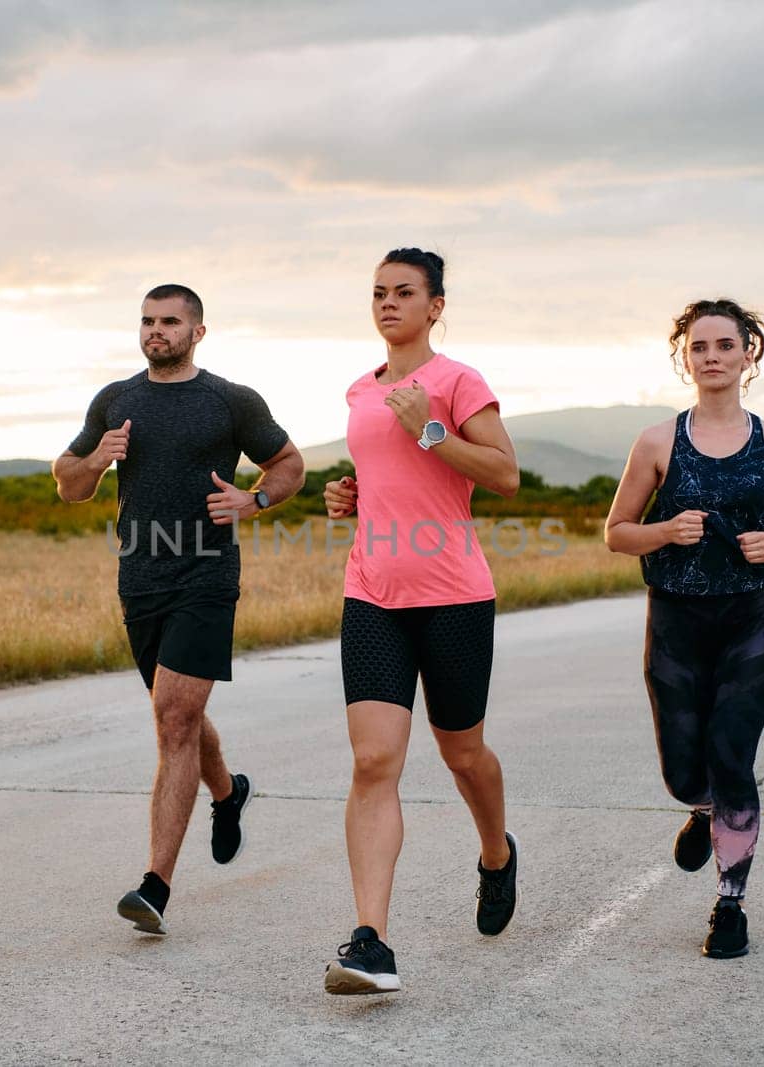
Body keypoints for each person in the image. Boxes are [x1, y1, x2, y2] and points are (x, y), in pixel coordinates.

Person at [53, 283, 305, 936]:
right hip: (139, 578)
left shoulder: (231, 401)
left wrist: (255, 500)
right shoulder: (116, 400)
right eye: (147, 320)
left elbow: (288, 462)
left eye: (169, 321)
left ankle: (155, 885)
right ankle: (228, 792)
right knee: (179, 715)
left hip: (207, 573)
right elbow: (67, 483)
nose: (155, 331)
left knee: (173, 716)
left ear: (198, 330)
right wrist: (96, 461)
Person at [604, 298, 764, 958]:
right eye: (699, 346)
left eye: (724, 345)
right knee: (685, 769)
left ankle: (729, 903)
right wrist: (665, 530)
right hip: (676, 621)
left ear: (748, 354)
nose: (711, 357)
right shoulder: (656, 441)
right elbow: (617, 532)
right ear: (685, 357)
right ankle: (699, 806)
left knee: (732, 753)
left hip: (752, 622)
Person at [320, 249, 521, 995]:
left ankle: (496, 852)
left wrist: (431, 431)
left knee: (463, 754)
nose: (388, 303)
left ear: (436, 305)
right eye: (378, 292)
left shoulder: (457, 381)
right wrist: (350, 497)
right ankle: (370, 939)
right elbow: (387, 481)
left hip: (454, 595)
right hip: (373, 592)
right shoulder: (358, 390)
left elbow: (503, 473)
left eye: (405, 292)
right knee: (374, 762)